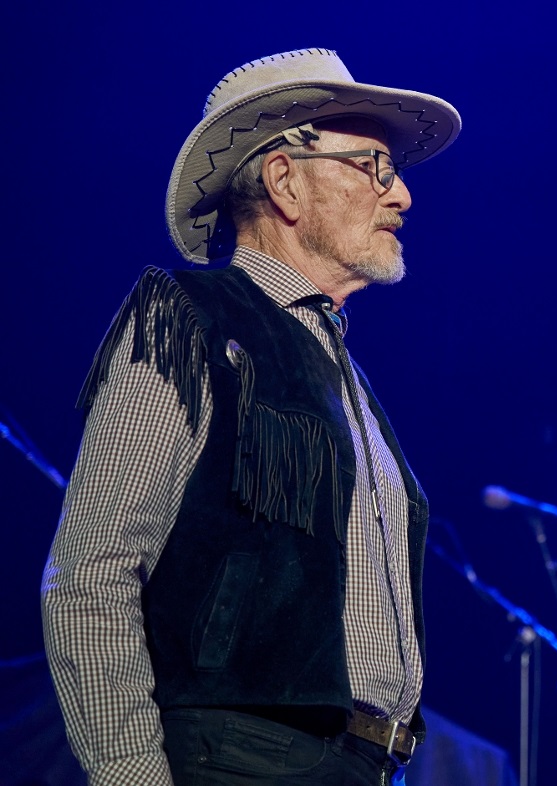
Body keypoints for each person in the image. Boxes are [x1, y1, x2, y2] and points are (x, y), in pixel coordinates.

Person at [40, 48, 461, 785]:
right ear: (284, 181)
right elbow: (91, 575)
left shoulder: (341, 372)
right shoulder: (190, 324)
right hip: (242, 760)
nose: (403, 199)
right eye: (375, 167)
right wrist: (132, 775)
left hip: (358, 765)